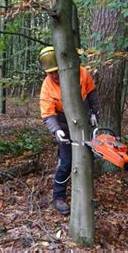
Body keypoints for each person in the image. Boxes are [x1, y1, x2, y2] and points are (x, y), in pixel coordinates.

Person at [38, 46, 99, 216]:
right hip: (63, 123)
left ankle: (85, 195)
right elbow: (48, 114)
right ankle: (58, 197)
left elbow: (92, 92)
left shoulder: (81, 73)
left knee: (87, 158)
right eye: (51, 73)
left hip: (83, 120)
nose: (55, 75)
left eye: (57, 71)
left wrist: (95, 112)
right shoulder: (47, 86)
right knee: (65, 162)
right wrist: (56, 130)